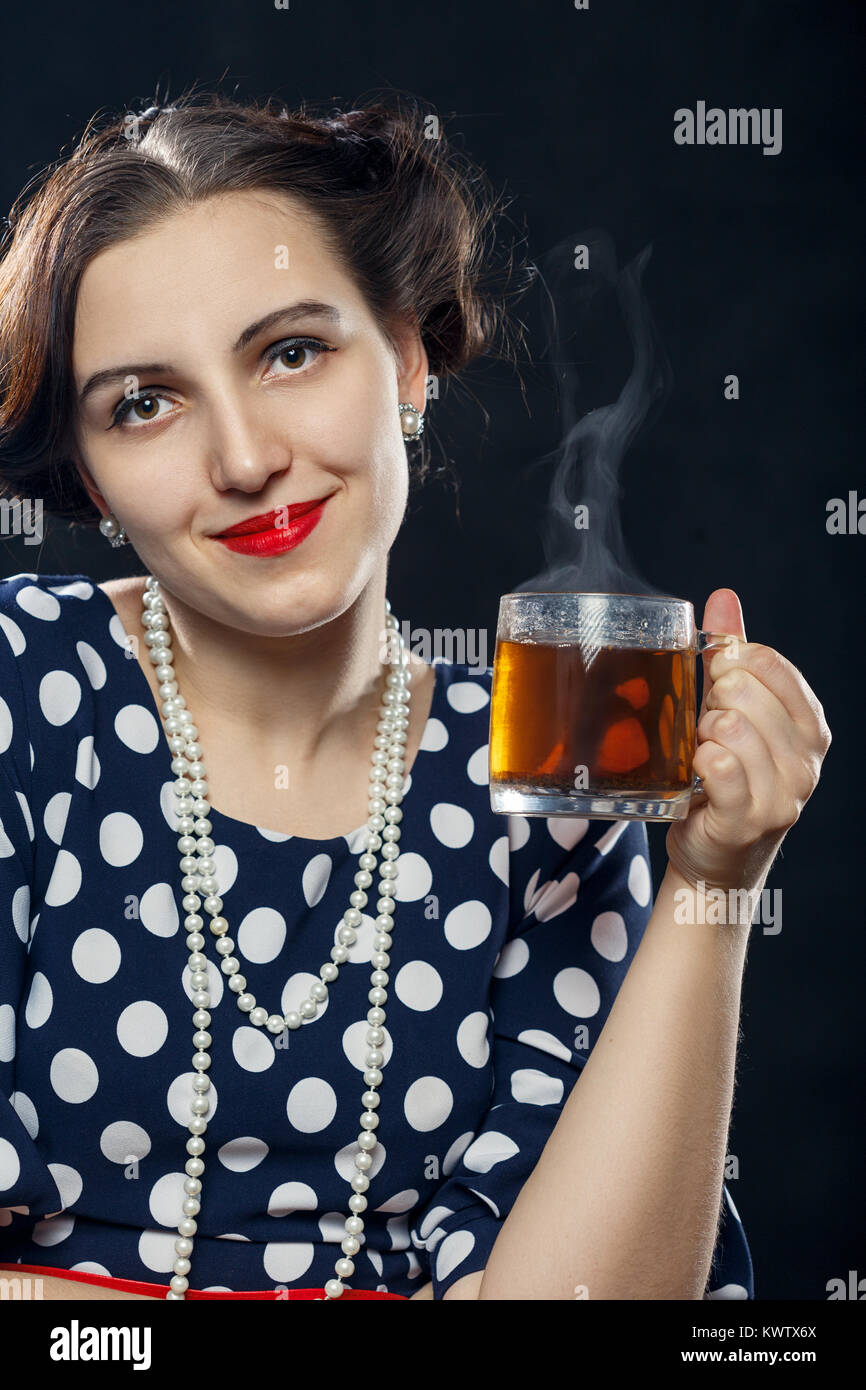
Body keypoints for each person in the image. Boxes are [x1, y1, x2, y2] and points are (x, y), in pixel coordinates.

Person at [0, 90, 830, 1302]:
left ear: (404, 357)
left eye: (291, 352)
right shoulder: (24, 691)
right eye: (145, 402)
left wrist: (711, 885)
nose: (242, 460)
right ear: (86, 472)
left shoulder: (542, 778)